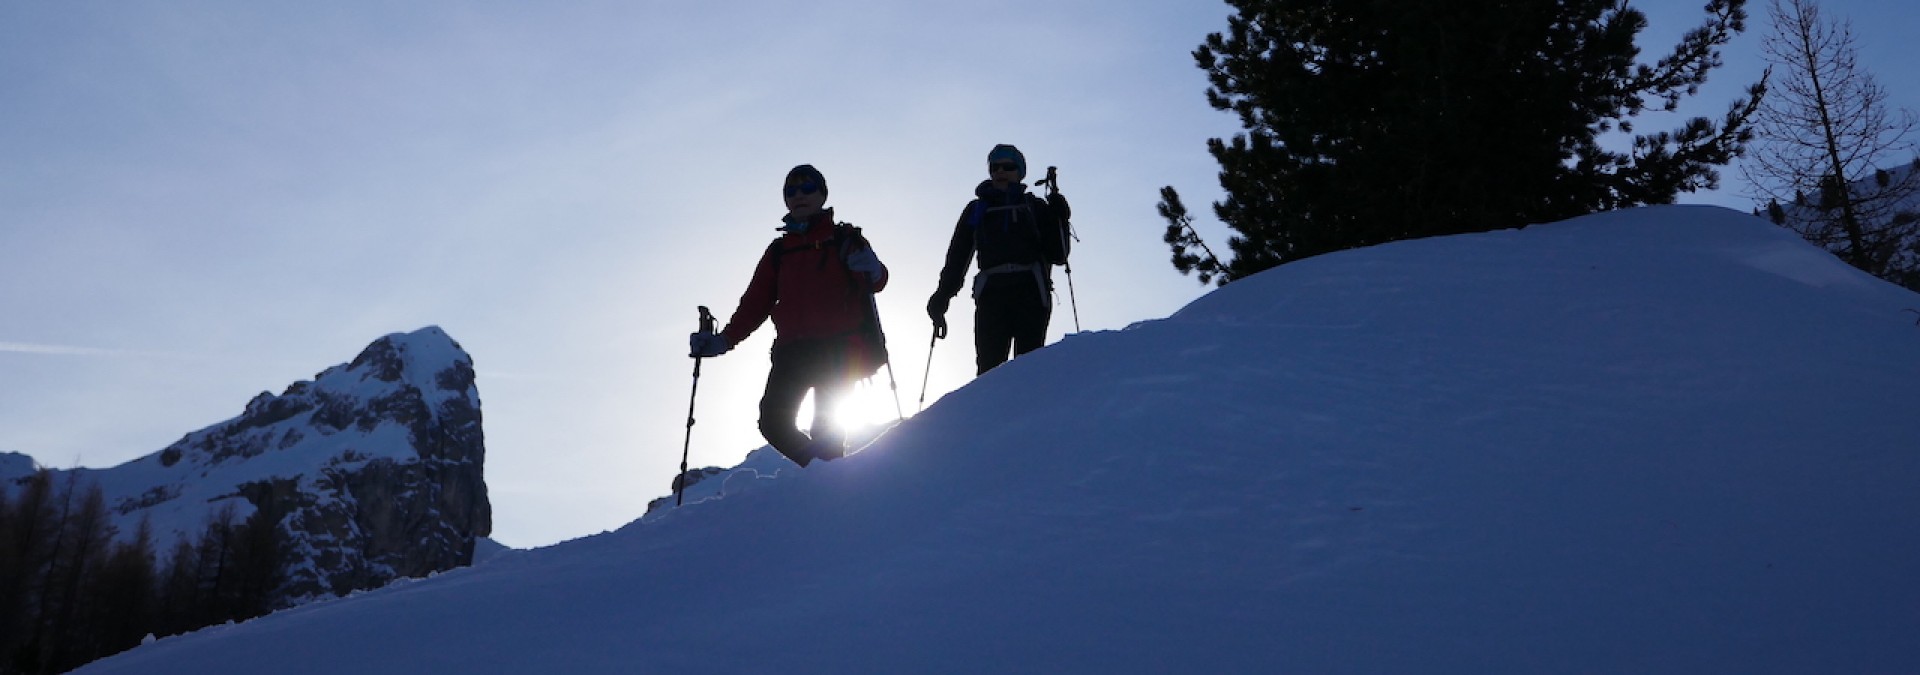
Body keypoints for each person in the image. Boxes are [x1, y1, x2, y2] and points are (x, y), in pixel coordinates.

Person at [689, 164, 889, 467]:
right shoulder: (779, 251)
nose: (799, 195)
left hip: (840, 349)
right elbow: (756, 301)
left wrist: (873, 268)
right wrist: (725, 340)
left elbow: (874, 282)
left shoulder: (845, 239)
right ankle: (825, 477)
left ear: (822, 194)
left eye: (808, 188)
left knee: (826, 428)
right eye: (791, 191)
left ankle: (828, 488)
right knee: (772, 422)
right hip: (792, 352)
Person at [927, 144, 1071, 375]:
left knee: (1028, 366)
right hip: (996, 294)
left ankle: (1018, 409)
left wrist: (1059, 217)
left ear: (1019, 172)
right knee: (990, 370)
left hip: (1029, 292)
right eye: (995, 167)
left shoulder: (1034, 207)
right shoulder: (977, 209)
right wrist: (942, 295)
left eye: (1008, 166)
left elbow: (1058, 254)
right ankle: (997, 410)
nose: (1000, 172)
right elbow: (957, 257)